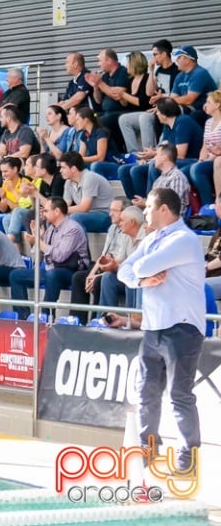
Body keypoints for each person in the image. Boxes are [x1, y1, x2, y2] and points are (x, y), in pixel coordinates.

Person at [117, 187, 206, 474]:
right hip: (153, 327)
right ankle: (147, 449)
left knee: (179, 394)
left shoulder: (185, 240)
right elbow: (124, 270)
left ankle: (187, 456)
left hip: (181, 327)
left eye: (148, 207)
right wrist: (141, 282)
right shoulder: (154, 237)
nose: (144, 212)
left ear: (164, 210)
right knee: (146, 393)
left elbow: (141, 265)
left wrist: (137, 272)